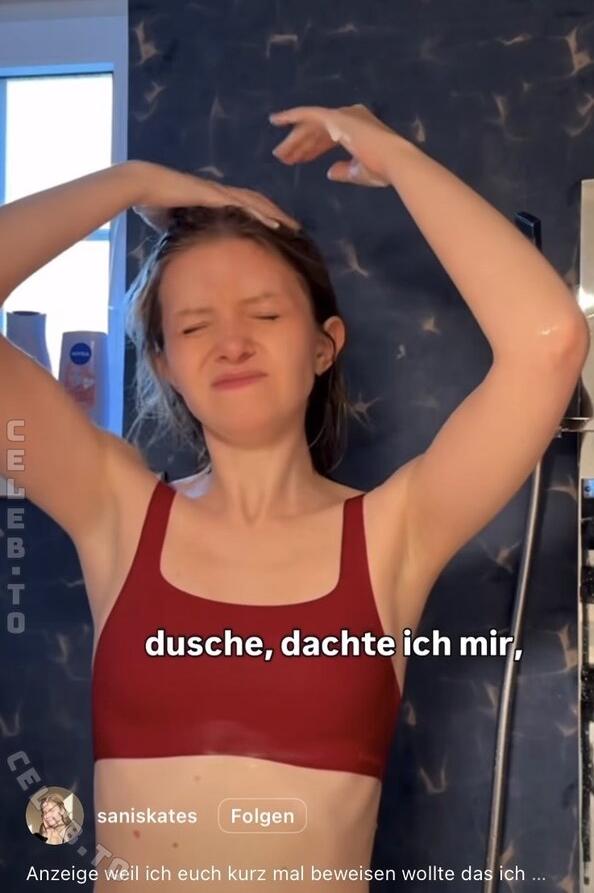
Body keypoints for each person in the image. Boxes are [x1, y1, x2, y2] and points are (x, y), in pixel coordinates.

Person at [0, 103, 588, 891]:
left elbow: (549, 343)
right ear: (166, 363)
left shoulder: (395, 531)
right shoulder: (115, 510)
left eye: (266, 313)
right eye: (195, 326)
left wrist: (395, 155)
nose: (232, 343)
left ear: (323, 345)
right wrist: (128, 182)